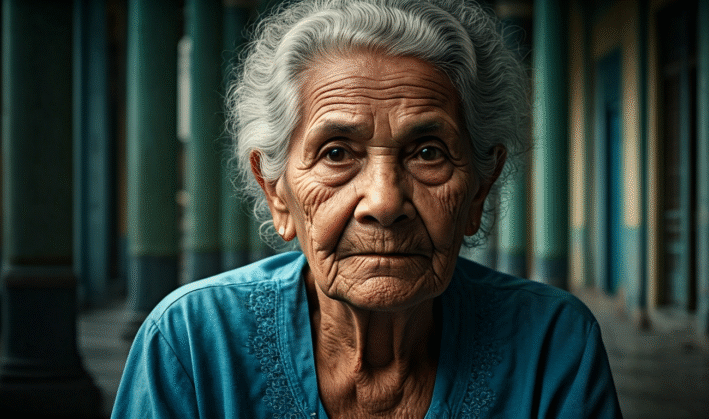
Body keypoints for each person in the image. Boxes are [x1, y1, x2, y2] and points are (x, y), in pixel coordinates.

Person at [113, 0, 623, 417]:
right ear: (276, 193)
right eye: (336, 153)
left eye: (428, 153)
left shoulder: (553, 347)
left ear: (480, 189)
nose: (384, 202)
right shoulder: (193, 344)